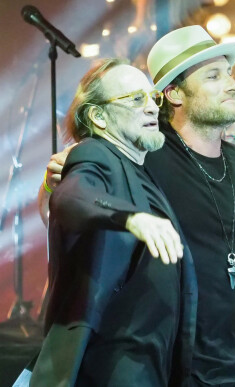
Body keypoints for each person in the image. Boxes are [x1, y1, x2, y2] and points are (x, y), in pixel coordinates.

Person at [39, 26, 235, 386]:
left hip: (222, 360)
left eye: (229, 73)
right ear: (174, 94)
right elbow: (70, 194)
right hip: (154, 360)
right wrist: (55, 184)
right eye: (214, 75)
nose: (232, 84)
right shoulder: (141, 151)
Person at [30, 59, 196, 386]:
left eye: (152, 97)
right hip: (111, 366)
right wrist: (130, 218)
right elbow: (73, 196)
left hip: (147, 364)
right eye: (136, 99)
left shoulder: (139, 168)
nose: (151, 107)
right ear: (99, 117)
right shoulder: (95, 153)